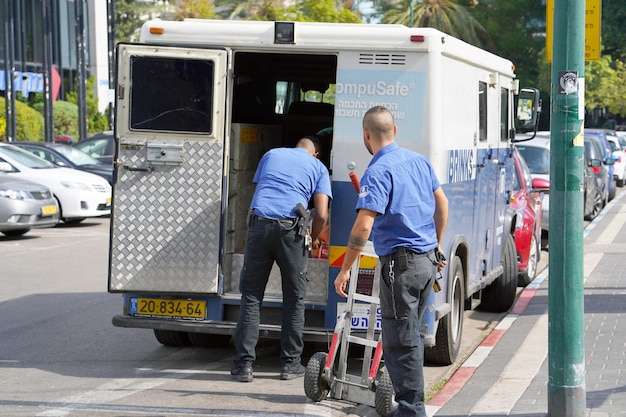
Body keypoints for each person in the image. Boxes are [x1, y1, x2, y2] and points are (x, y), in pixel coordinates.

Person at [334, 106, 448, 417]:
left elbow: (364, 225)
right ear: (394, 131)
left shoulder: (378, 170)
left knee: (400, 340)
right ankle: (413, 405)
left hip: (402, 265)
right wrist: (437, 245)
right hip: (426, 262)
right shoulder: (419, 161)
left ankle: (411, 411)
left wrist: (345, 269)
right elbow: (442, 203)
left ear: (366, 135)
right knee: (409, 335)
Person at [231, 136, 332, 382]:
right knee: (294, 298)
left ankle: (244, 365)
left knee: (252, 296)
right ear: (315, 154)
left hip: (259, 225)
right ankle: (290, 364)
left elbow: (262, 189)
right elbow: (321, 213)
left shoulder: (271, 153)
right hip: (291, 230)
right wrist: (314, 236)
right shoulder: (318, 167)